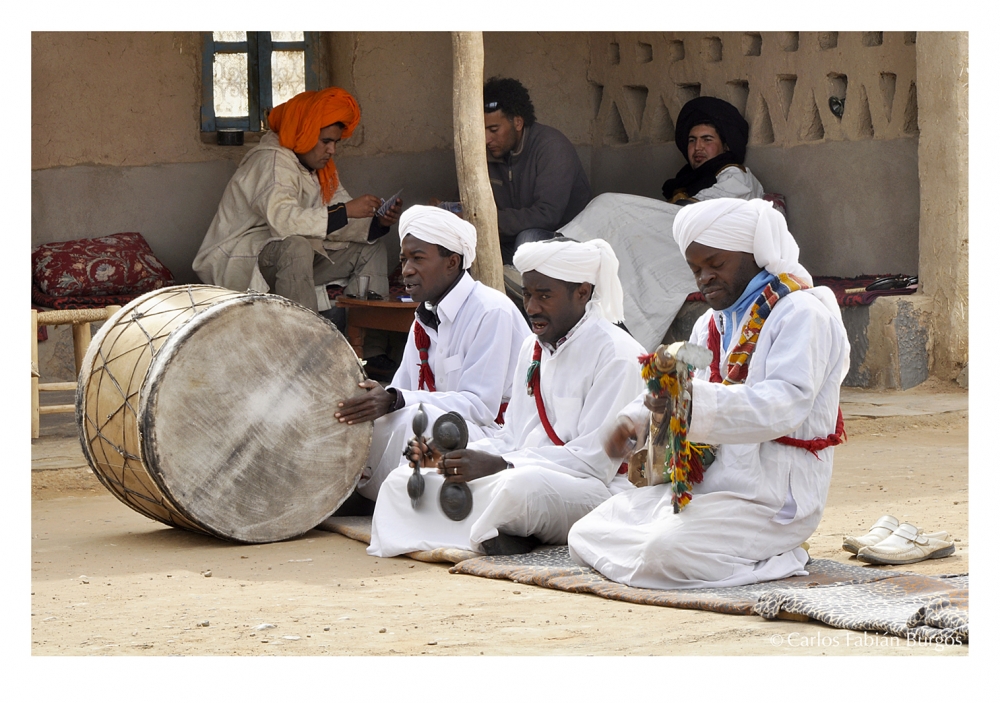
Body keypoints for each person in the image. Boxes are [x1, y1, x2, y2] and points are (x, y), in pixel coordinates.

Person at [567, 198, 850, 590]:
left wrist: (691, 403)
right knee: (585, 533)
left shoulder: (802, 314)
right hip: (709, 487)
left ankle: (779, 557)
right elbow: (676, 381)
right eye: (696, 269)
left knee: (661, 553)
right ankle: (711, 552)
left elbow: (784, 405)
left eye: (716, 265)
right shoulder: (709, 325)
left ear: (757, 254)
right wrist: (634, 421)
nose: (704, 278)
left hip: (771, 499)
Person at [367, 237, 646, 558]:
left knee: (519, 488)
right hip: (521, 470)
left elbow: (595, 462)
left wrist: (502, 464)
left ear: (582, 292)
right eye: (527, 295)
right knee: (405, 480)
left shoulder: (618, 354)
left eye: (545, 296)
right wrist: (453, 457)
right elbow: (512, 435)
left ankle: (500, 529)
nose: (531, 308)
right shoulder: (533, 348)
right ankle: (501, 532)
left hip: (595, 490)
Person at [333, 205, 530, 508]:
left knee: (415, 420)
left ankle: (380, 499)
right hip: (444, 426)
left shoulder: (491, 311)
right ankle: (355, 491)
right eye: (404, 259)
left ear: (452, 262)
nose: (406, 270)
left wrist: (398, 399)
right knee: (369, 419)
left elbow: (479, 407)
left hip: (494, 437)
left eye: (417, 258)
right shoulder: (424, 318)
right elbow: (403, 390)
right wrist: (377, 399)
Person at [192, 87, 402, 366]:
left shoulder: (321, 168)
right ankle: (306, 354)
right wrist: (346, 211)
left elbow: (336, 219)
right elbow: (285, 221)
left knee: (371, 250)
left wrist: (375, 224)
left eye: (336, 142)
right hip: (241, 257)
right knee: (297, 245)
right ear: (303, 133)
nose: (332, 149)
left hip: (294, 256)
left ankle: (371, 353)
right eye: (326, 141)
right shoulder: (271, 159)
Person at [558, 95, 768, 351]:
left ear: (725, 146)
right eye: (692, 140)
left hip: (711, 257)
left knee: (611, 206)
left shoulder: (737, 175)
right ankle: (565, 266)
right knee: (619, 229)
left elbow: (700, 216)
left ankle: (563, 260)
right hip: (683, 246)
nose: (697, 147)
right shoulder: (691, 180)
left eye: (707, 140)